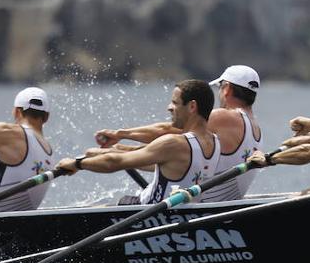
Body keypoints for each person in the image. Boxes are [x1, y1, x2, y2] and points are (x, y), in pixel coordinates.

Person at [94, 65, 261, 202]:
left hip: (202, 209)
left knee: (123, 201)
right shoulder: (255, 127)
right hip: (218, 206)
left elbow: (167, 130)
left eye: (219, 87)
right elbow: (177, 155)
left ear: (227, 89)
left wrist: (119, 134)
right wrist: (123, 151)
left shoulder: (223, 117)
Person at [59, 80, 221, 205]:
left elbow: (114, 163)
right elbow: (157, 163)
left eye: (175, 103)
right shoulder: (214, 141)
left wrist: (76, 164)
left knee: (101, 208)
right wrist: (105, 152)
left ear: (192, 106)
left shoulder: (174, 143)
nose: (169, 108)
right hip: (179, 215)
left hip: (149, 214)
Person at [0, 87, 57, 212]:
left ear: (17, 112)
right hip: (18, 220)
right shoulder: (47, 150)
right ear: (46, 117)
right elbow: (9, 170)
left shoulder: (7, 132)